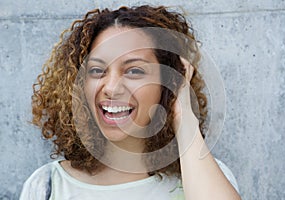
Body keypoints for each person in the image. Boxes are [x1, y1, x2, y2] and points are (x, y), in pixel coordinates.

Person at [20, 5, 241, 200]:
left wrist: (183, 117)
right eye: (97, 70)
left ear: (167, 83)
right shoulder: (46, 186)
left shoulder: (204, 176)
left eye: (134, 71)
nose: (112, 88)